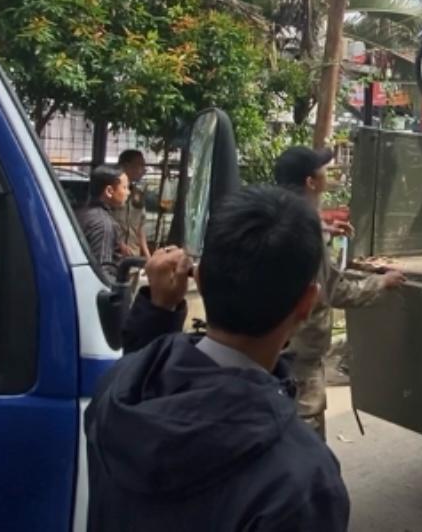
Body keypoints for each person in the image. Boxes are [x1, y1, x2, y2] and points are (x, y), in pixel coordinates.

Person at [85, 186, 350, 532]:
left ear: (201, 277)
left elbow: (143, 372)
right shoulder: (301, 480)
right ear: (307, 303)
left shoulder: (118, 394)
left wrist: (157, 309)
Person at [274, 146, 405, 440]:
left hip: (274, 346)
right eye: (322, 170)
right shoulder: (306, 232)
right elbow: (336, 291)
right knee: (304, 434)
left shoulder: (275, 215)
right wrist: (381, 283)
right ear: (310, 182)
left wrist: (324, 228)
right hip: (300, 355)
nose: (327, 174)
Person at [76, 165, 129, 272]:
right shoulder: (103, 224)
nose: (128, 192)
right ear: (109, 191)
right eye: (124, 187)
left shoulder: (80, 212)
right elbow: (102, 270)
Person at [112, 149, 152, 261]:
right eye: (140, 165)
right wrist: (119, 244)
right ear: (126, 166)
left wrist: (147, 256)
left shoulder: (137, 194)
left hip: (133, 257)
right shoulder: (112, 193)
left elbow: (140, 227)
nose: (143, 170)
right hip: (114, 257)